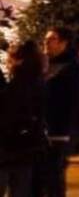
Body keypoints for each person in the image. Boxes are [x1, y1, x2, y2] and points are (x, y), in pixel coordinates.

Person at [38, 27, 79, 197]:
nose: (47, 43)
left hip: (59, 130)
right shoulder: (46, 65)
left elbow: (73, 101)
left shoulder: (71, 68)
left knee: (53, 175)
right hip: (43, 129)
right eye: (46, 39)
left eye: (52, 39)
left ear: (64, 43)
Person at [0, 41, 47, 197]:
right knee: (22, 188)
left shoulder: (17, 85)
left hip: (10, 148)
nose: (7, 62)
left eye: (10, 59)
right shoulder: (39, 82)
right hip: (28, 148)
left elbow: (8, 116)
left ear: (20, 60)